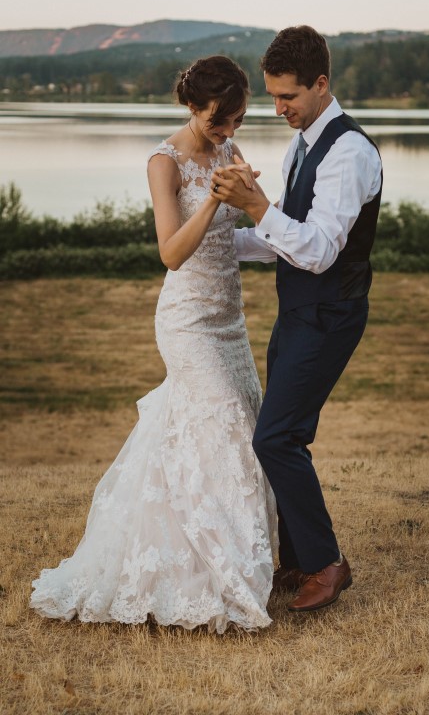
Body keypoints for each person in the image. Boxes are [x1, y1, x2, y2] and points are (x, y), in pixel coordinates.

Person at [30, 55, 277, 633]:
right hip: (187, 320)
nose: (230, 133)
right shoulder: (163, 161)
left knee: (247, 424)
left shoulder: (228, 152)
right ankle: (209, 573)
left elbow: (237, 234)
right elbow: (170, 252)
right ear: (194, 107)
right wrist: (216, 198)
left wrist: (253, 202)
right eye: (221, 122)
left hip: (229, 318)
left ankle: (250, 560)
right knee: (223, 425)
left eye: (239, 120)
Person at [211, 26, 383, 613]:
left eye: (289, 96)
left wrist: (256, 206)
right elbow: (286, 235)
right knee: (286, 435)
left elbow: (318, 250)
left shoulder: (351, 152)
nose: (279, 108)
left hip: (331, 314)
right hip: (299, 310)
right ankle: (296, 559)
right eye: (273, 96)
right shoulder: (303, 143)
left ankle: (327, 564)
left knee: (275, 437)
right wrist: (221, 243)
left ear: (320, 84)